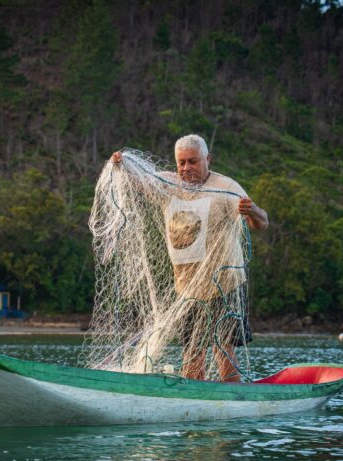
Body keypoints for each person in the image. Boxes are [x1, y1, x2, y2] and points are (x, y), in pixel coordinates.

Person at [111, 134, 268, 381]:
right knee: (192, 351)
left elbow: (261, 222)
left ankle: (233, 402)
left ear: (207, 159)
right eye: (181, 162)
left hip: (224, 283)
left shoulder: (226, 188)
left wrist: (252, 211)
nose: (186, 168)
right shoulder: (167, 184)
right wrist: (121, 164)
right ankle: (195, 402)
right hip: (188, 288)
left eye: (193, 162)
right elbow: (137, 182)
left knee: (222, 348)